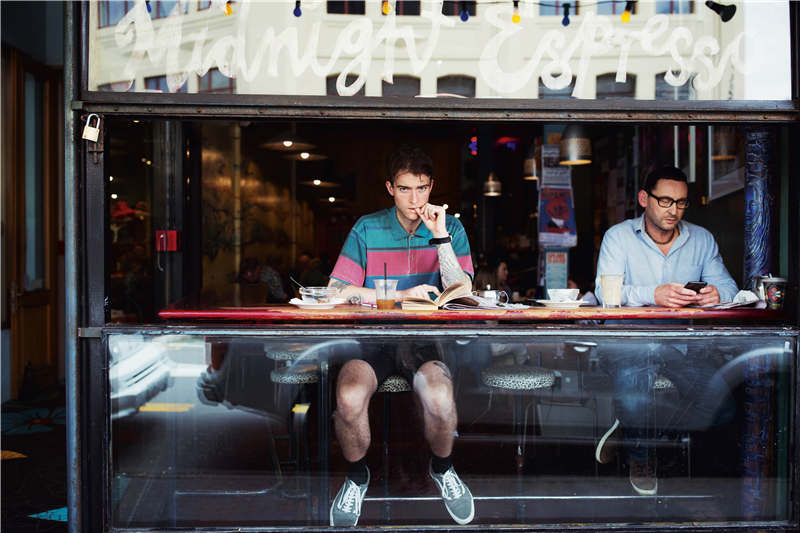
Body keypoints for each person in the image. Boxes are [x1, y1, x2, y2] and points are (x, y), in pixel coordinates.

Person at [326, 144, 475, 526]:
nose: (415, 199)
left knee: (441, 400)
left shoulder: (450, 226)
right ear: (390, 188)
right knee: (348, 396)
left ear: (432, 187)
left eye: (422, 189)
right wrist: (398, 296)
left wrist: (440, 236)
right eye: (406, 189)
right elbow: (336, 291)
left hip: (428, 340)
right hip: (372, 338)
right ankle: (357, 478)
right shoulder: (367, 227)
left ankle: (442, 469)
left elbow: (462, 293)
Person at [593, 165, 738, 495]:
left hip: (680, 346)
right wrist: (651, 293)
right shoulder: (618, 236)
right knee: (634, 392)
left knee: (722, 406)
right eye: (665, 201)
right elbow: (605, 293)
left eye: (682, 203)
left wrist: (719, 294)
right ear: (644, 199)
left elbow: (729, 286)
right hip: (627, 343)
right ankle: (641, 457)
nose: (674, 210)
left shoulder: (701, 239)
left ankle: (631, 430)